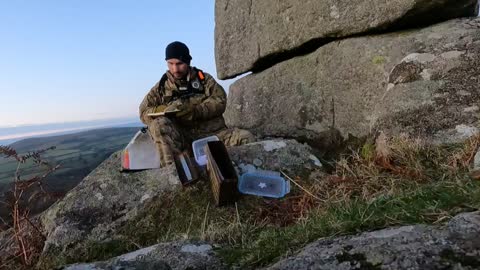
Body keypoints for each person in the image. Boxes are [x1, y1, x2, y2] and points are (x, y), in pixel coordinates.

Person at [139, 41, 255, 167]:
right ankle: (174, 174)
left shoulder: (204, 80)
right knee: (158, 124)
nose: (175, 69)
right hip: (182, 142)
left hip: (213, 136)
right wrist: (164, 110)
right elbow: (143, 112)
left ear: (188, 62)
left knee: (245, 137)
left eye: (179, 64)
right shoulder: (161, 88)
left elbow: (220, 100)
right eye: (170, 64)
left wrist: (196, 111)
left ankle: (242, 172)